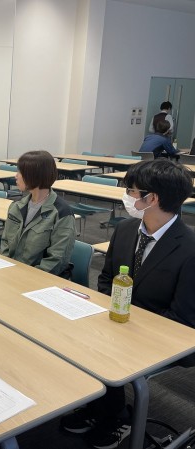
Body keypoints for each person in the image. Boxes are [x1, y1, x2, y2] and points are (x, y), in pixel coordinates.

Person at [62, 159, 195, 449]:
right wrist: (112, 315)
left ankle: (116, 416)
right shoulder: (125, 229)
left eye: (131, 191)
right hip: (119, 319)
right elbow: (106, 278)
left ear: (152, 198)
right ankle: (98, 404)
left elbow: (183, 319)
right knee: (68, 331)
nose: (127, 197)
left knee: (105, 347)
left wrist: (127, 328)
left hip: (163, 333)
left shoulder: (190, 248)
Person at [0, 150, 75, 277]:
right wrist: (7, 268)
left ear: (34, 175)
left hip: (40, 278)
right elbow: (5, 242)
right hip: (12, 273)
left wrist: (26, 276)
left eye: (20, 172)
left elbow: (57, 259)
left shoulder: (62, 213)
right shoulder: (17, 206)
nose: (16, 176)